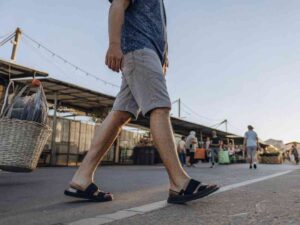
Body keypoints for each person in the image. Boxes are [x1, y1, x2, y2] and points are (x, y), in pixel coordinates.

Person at [64, 0, 219, 204]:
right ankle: (179, 182)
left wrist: (164, 54)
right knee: (160, 107)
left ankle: (81, 178)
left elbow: (156, 24)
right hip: (139, 49)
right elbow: (118, 5)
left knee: (120, 114)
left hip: (146, 51)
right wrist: (113, 44)